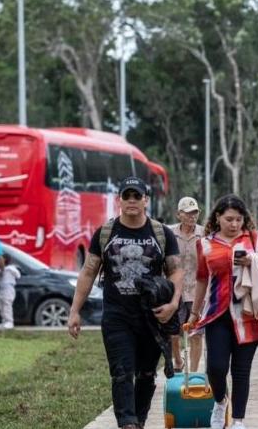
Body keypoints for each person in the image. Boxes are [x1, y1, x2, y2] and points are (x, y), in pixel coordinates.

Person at [68, 176, 183, 429]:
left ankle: (138, 421)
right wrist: (75, 311)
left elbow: (176, 271)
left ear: (146, 200)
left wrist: (174, 303)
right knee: (121, 373)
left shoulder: (161, 233)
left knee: (146, 375)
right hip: (117, 316)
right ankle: (127, 424)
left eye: (137, 196)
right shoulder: (106, 232)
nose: (132, 201)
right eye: (127, 196)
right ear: (119, 200)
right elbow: (88, 271)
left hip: (152, 317)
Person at [188, 195, 258, 429]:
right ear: (217, 217)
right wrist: (194, 313)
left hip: (250, 315)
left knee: (241, 371)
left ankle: (238, 420)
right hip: (217, 314)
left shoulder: (254, 239)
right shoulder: (205, 244)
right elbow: (201, 279)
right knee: (216, 368)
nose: (234, 224)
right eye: (229, 219)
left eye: (239, 219)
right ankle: (220, 403)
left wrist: (254, 262)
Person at [169, 196, 205, 373]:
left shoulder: (204, 234)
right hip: (175, 291)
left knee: (196, 334)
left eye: (195, 212)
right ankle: (177, 360)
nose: (192, 216)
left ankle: (193, 372)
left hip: (197, 291)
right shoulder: (170, 234)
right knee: (173, 333)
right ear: (179, 214)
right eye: (188, 213)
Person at [0, 255, 22, 329]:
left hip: (9, 288)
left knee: (7, 304)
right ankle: (4, 321)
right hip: (2, 288)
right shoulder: (0, 270)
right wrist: (1, 271)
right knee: (1, 306)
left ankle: (9, 321)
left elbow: (18, 275)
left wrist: (10, 269)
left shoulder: (11, 268)